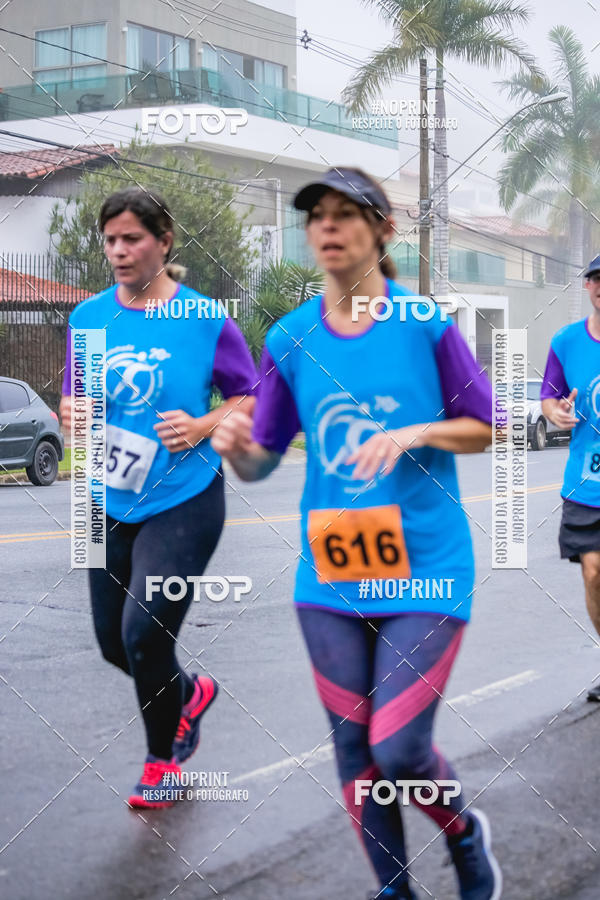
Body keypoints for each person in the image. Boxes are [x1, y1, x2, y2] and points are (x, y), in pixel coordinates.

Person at [211, 167, 500, 899]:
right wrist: (235, 446)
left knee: (399, 750)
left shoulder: (426, 325)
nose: (327, 227)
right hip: (331, 576)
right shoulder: (290, 336)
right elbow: (263, 459)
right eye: (316, 216)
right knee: (353, 750)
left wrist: (414, 433)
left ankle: (464, 833)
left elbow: (484, 427)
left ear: (382, 231)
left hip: (427, 571)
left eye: (345, 214)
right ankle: (395, 890)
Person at [59, 187, 257, 808]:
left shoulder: (204, 319)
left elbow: (249, 394)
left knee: (145, 634)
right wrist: (71, 413)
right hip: (100, 498)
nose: (119, 251)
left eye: (132, 239)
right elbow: (80, 400)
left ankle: (161, 762)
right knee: (113, 643)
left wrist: (202, 426)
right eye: (111, 240)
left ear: (164, 242)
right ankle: (189, 693)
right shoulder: (89, 318)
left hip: (184, 496)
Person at [541, 254, 600, 701]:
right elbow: (549, 397)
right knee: (594, 573)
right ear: (587, 287)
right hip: (585, 484)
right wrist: (556, 412)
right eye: (596, 280)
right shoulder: (566, 341)